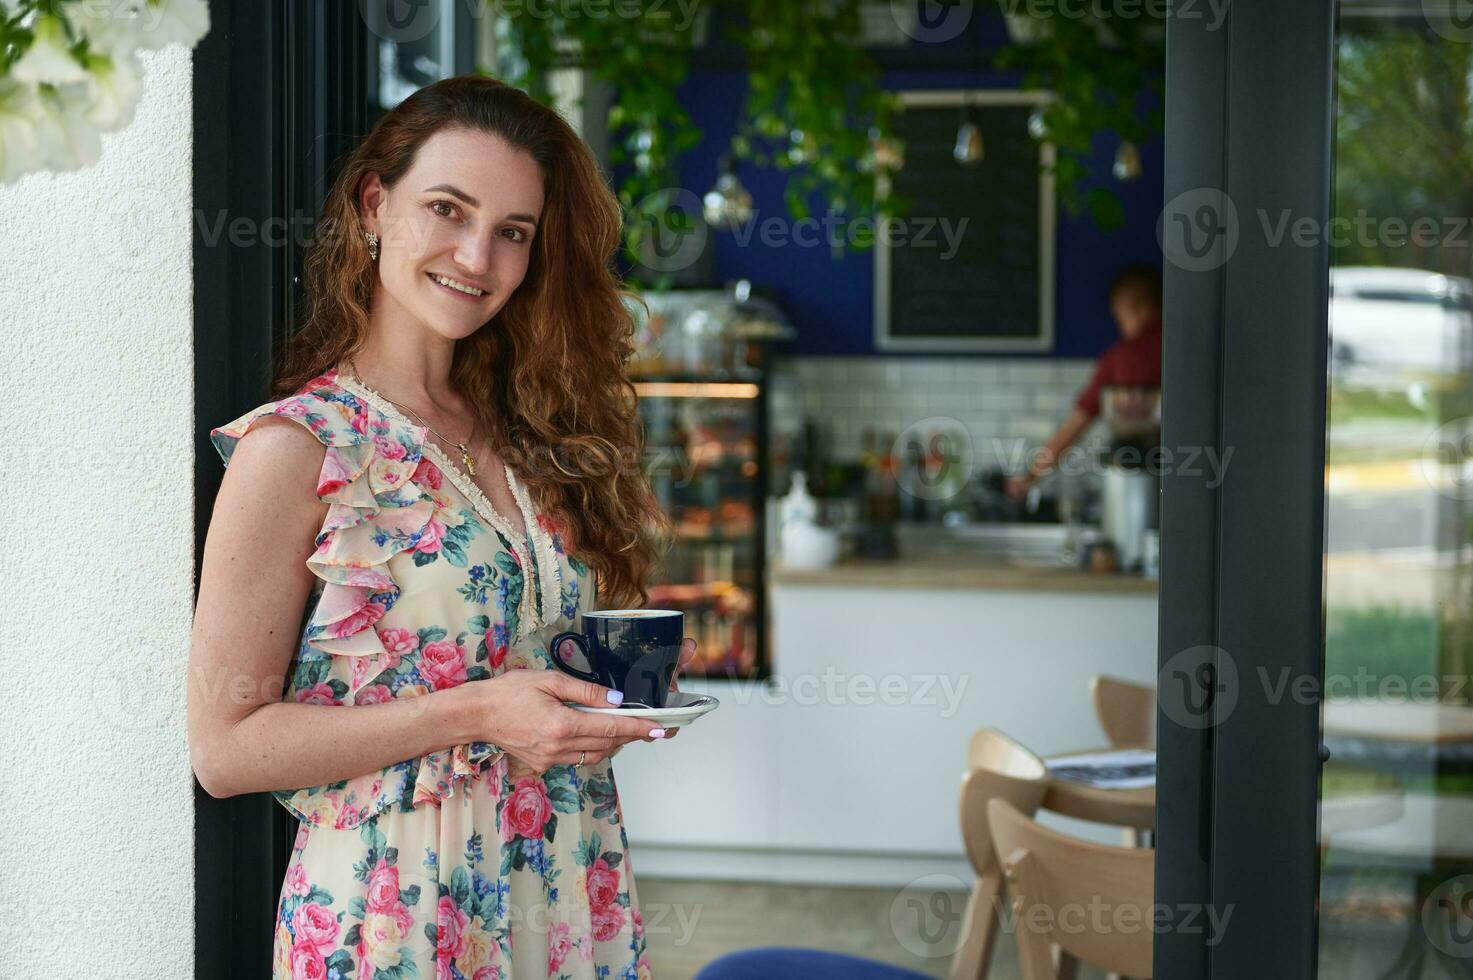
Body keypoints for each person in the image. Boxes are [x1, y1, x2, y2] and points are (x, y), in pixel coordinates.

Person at [187, 75, 691, 979]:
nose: (476, 255)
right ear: (375, 206)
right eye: (447, 209)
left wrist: (602, 698)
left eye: (513, 232)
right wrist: (481, 712)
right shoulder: (301, 447)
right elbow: (225, 749)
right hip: (396, 920)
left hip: (565, 885)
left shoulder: (533, 432)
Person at [1005, 262, 1163, 502]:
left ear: (1136, 307)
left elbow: (1073, 427)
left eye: (1119, 316)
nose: (1120, 325)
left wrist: (1029, 478)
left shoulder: (1121, 359)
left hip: (1137, 487)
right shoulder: (1191, 352)